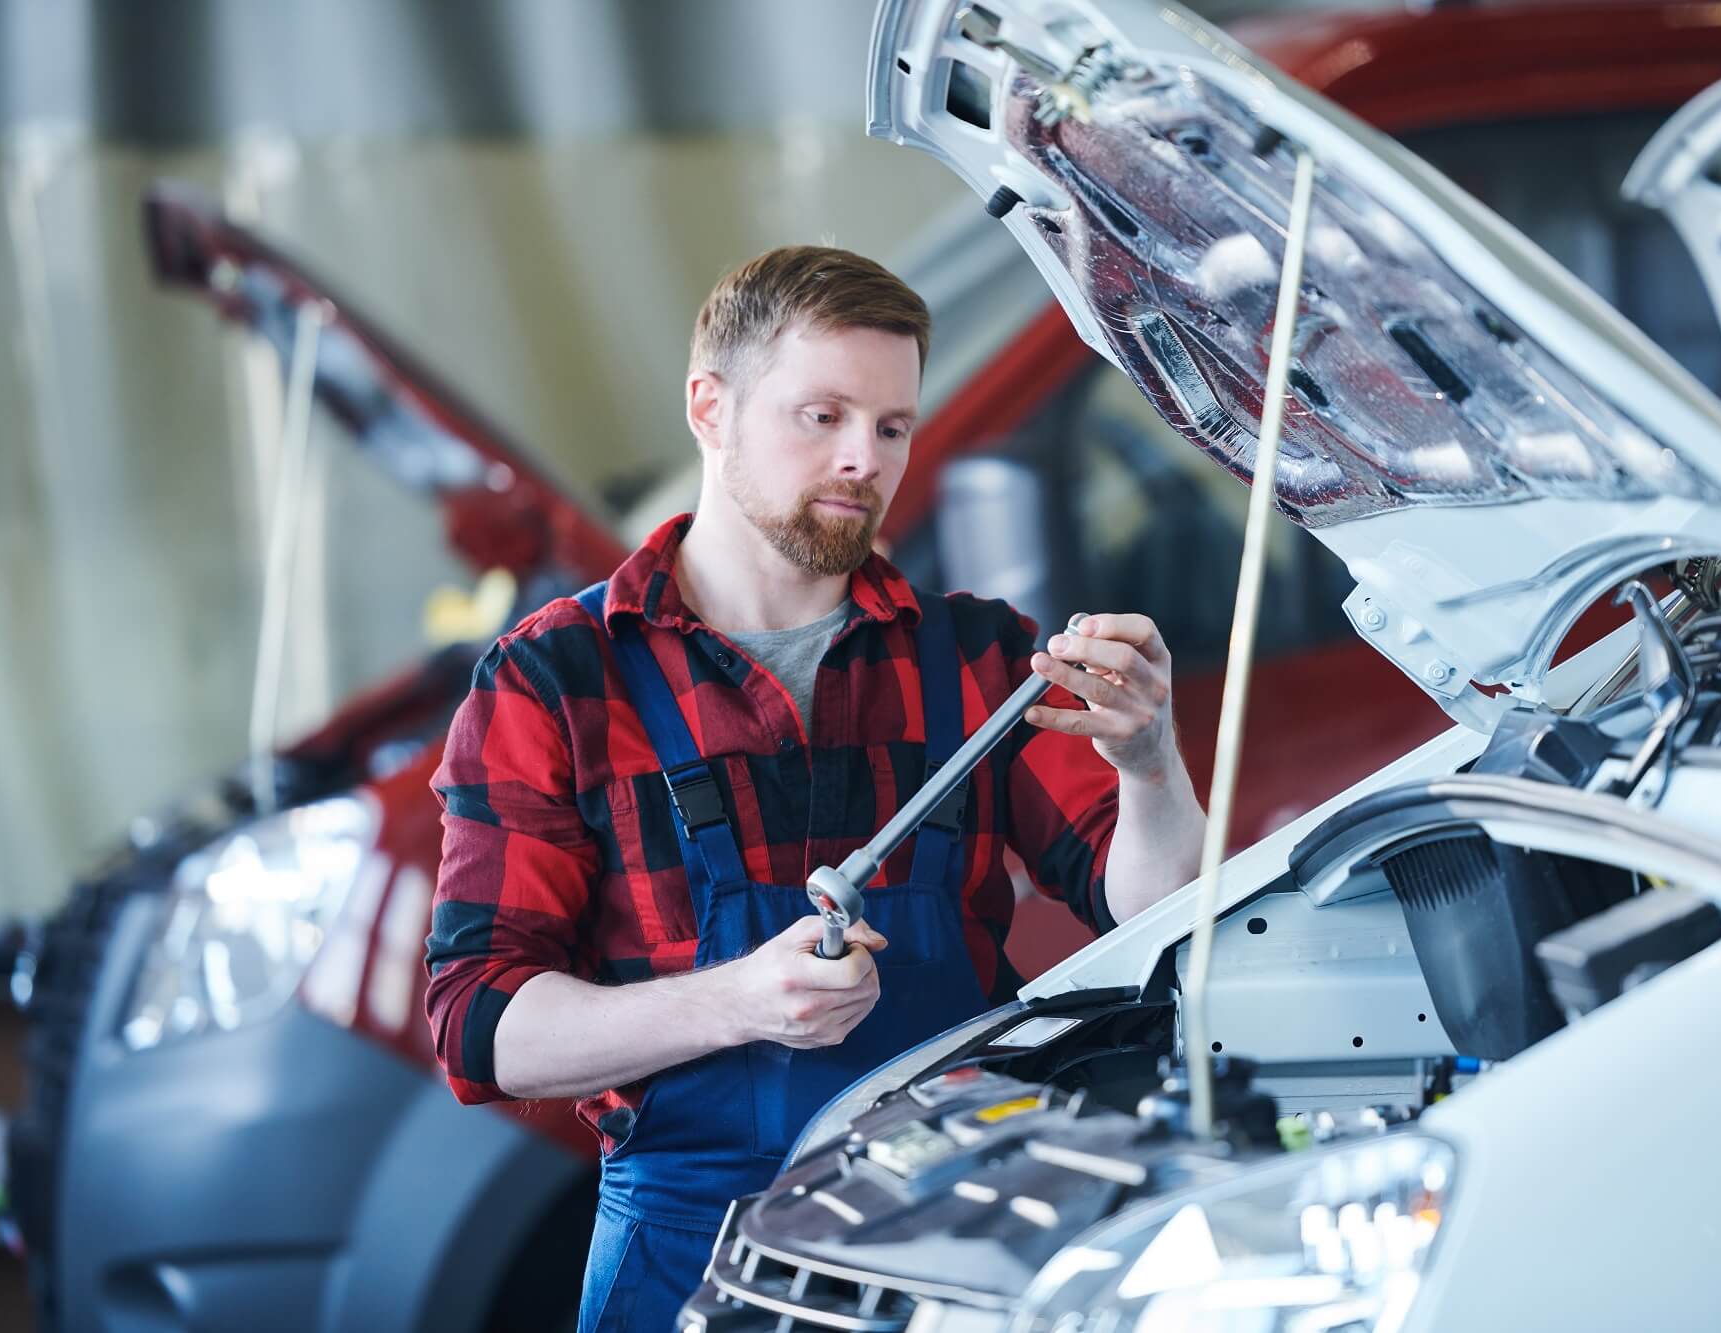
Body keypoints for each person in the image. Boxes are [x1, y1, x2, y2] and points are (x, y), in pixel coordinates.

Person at [422, 245, 1206, 1332]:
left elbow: (1155, 908)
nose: (862, 459)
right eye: (821, 415)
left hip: (953, 1250)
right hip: (689, 1261)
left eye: (891, 426)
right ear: (710, 407)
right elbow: (480, 1022)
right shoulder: (555, 680)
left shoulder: (978, 658)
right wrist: (736, 1002)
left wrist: (1150, 766)